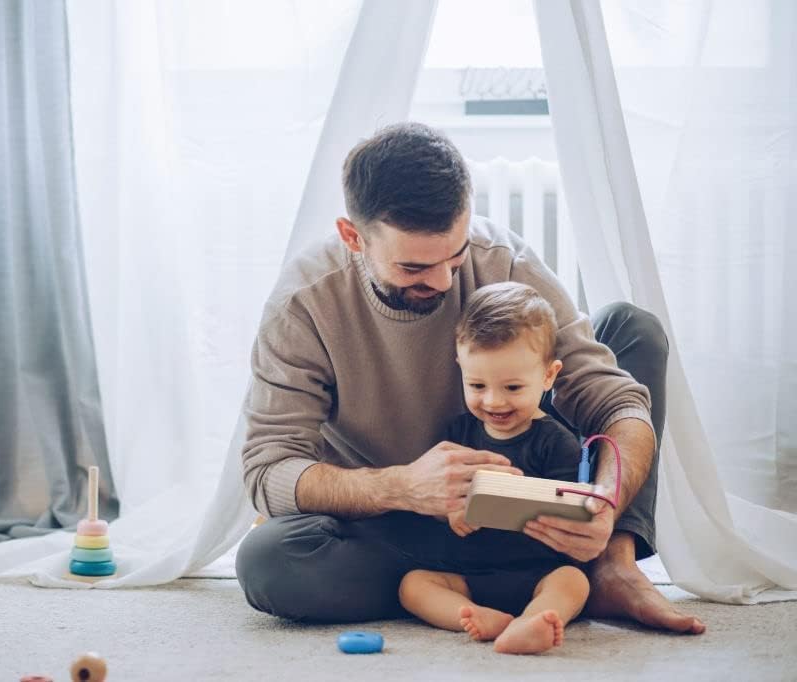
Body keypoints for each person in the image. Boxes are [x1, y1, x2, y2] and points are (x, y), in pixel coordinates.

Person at [236, 122, 705, 635]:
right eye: (413, 268)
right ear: (353, 237)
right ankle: (502, 585)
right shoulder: (304, 303)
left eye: (455, 257)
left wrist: (604, 504)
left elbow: (613, 401)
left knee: (633, 330)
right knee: (269, 563)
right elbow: (268, 468)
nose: (443, 281)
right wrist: (402, 487)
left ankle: (610, 564)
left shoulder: (504, 261)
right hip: (403, 527)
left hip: (533, 517)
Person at [399, 281, 590, 654]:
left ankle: (534, 619)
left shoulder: (556, 441)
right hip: (468, 573)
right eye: (477, 385)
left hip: (537, 571)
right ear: (461, 369)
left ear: (548, 376)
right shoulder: (458, 434)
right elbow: (436, 495)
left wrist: (518, 500)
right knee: (413, 585)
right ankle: (476, 616)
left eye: (513, 388)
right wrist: (452, 511)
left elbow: (570, 511)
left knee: (573, 582)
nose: (493, 401)